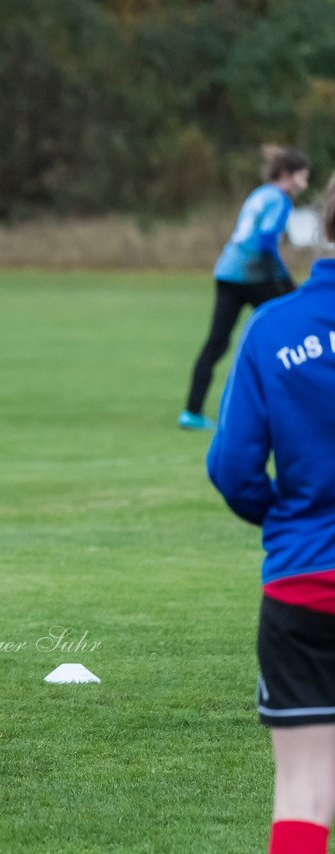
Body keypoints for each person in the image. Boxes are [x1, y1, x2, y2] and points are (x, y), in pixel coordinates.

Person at [208, 173, 335, 854]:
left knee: (305, 793)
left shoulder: (276, 326)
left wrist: (285, 518)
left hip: (304, 582)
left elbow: (231, 467)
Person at [180, 145, 310, 430]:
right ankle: (296, 401)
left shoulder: (259, 194)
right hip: (252, 276)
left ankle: (191, 412)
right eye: (302, 177)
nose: (305, 184)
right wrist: (285, 279)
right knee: (296, 327)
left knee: (217, 341)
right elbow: (265, 242)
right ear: (287, 175)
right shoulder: (280, 199)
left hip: (227, 272)